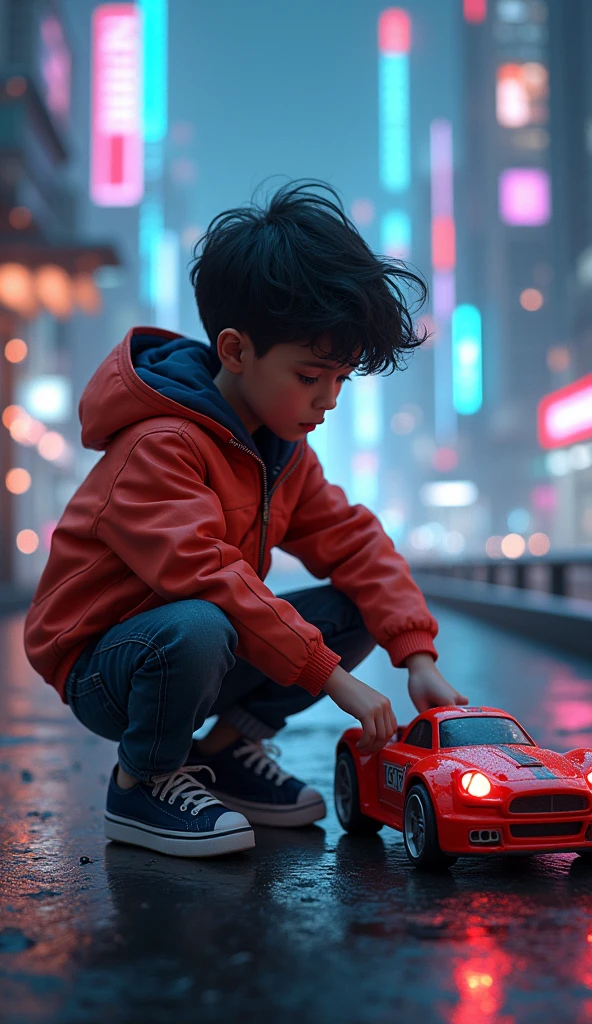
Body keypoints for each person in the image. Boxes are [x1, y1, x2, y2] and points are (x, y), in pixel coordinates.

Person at [24, 180, 468, 859]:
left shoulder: (282, 451)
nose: (329, 399)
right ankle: (141, 781)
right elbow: (206, 578)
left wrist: (417, 654)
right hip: (108, 662)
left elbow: (355, 541)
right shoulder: (159, 444)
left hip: (201, 646)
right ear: (235, 351)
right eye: (311, 375)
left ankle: (224, 755)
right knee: (200, 621)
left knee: (353, 604)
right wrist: (334, 678)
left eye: (342, 379)